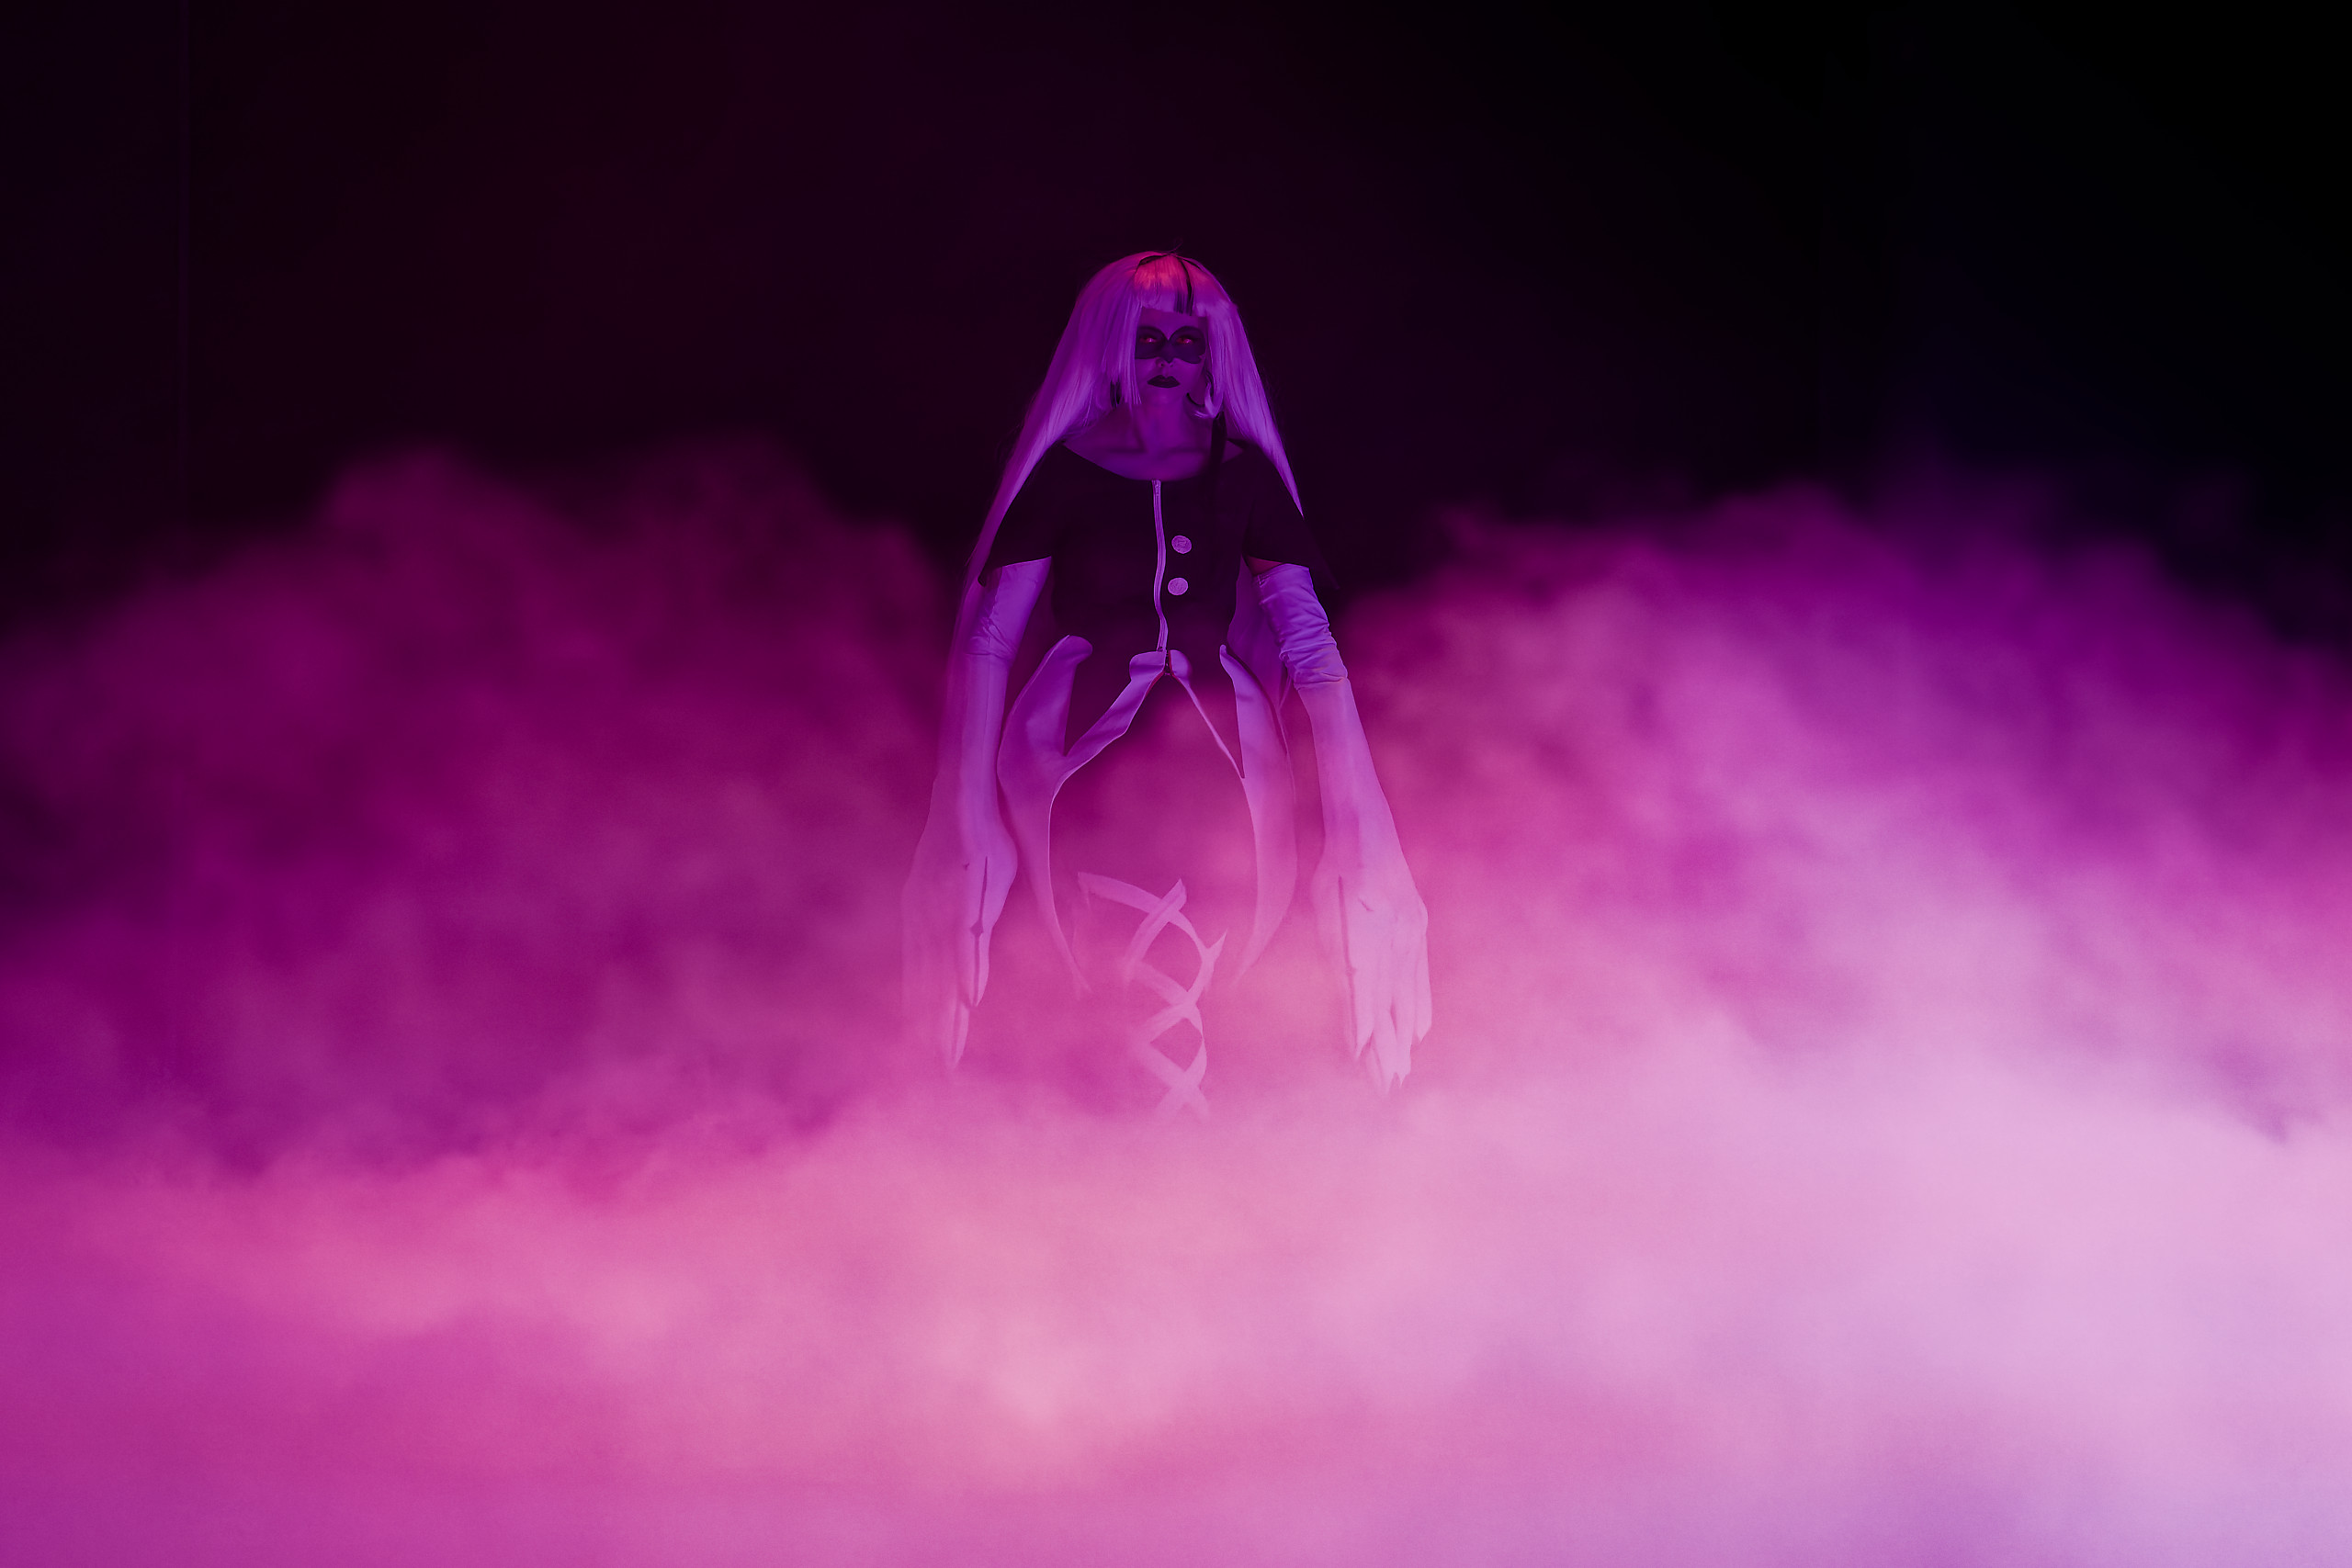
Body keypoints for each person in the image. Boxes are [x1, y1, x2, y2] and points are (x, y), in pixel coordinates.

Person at [902, 251, 1429, 1112]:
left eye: (1189, 342)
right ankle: (1137, 1131)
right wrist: (959, 815)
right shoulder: (1067, 471)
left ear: (1212, 354)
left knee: (1202, 931)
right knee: (1112, 946)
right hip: (1076, 742)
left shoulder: (1241, 475)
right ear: (1113, 346)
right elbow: (991, 641)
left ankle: (1171, 1137)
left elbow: (1309, 642)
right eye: (1150, 339)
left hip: (1219, 741)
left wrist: (1365, 824)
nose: (1169, 360)